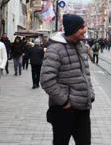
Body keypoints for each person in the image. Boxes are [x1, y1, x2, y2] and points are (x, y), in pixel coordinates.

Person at [40, 14, 95, 145]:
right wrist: (64, 101)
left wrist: (90, 94)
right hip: (63, 111)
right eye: (82, 27)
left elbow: (86, 73)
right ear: (72, 29)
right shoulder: (55, 49)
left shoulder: (81, 46)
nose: (85, 30)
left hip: (83, 108)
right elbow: (46, 79)